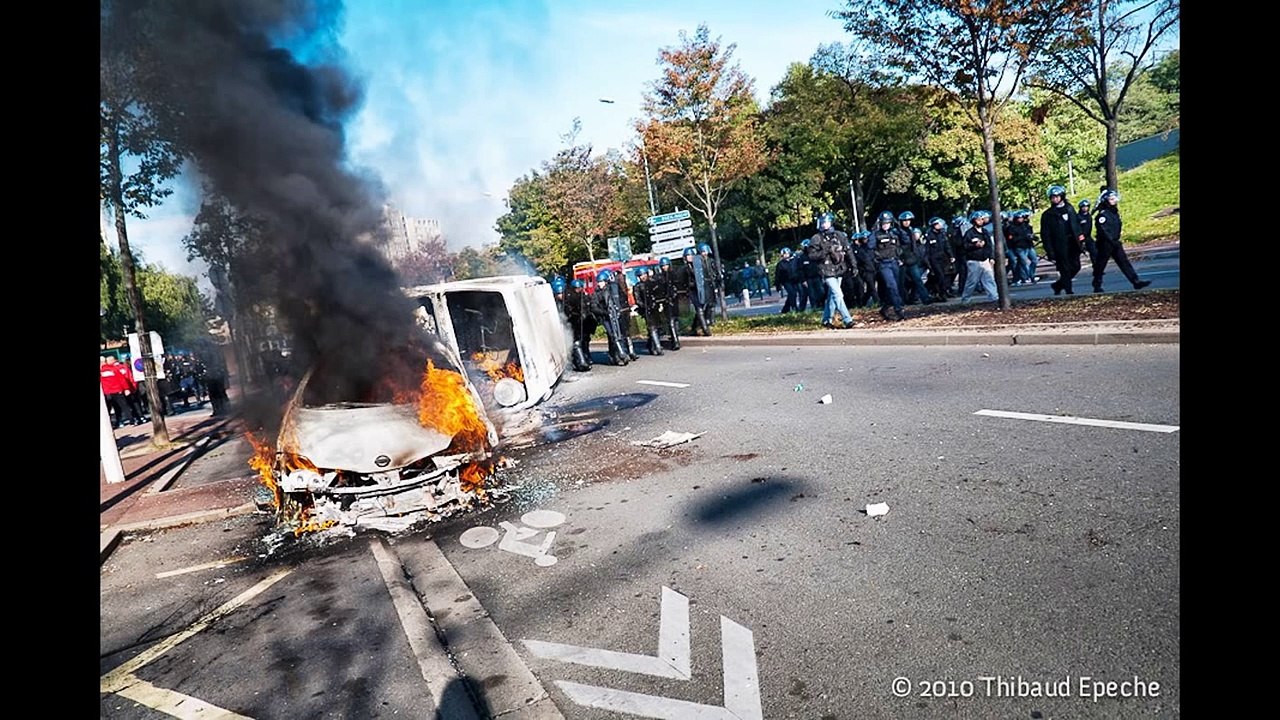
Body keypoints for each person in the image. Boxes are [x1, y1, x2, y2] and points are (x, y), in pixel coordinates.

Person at [1092, 189, 1153, 293]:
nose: (1114, 201)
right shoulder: (1103, 215)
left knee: (1124, 262)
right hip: (1105, 244)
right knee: (1101, 265)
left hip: (1115, 242)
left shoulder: (1114, 212)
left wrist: (1116, 240)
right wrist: (1111, 240)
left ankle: (1135, 281)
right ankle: (1097, 284)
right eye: (1111, 199)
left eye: (1114, 199)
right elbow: (1103, 230)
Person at [807, 212, 856, 328]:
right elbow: (811, 256)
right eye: (823, 222)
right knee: (838, 294)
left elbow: (848, 251)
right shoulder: (816, 238)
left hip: (839, 268)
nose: (825, 225)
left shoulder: (839, 235)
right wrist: (825, 252)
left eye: (827, 222)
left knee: (832, 296)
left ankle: (826, 319)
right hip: (826, 270)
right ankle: (847, 319)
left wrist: (854, 265)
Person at [1040, 184, 1086, 295]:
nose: (1055, 199)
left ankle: (1058, 285)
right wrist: (1050, 250)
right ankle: (1068, 290)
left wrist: (1081, 240)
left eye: (1057, 196)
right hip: (1059, 245)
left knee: (1076, 266)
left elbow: (1076, 226)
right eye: (1053, 197)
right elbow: (1045, 234)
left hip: (1073, 243)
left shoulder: (1070, 209)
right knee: (1064, 268)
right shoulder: (1048, 215)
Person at [868, 210, 906, 321]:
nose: (885, 225)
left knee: (896, 287)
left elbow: (906, 240)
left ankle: (885, 307)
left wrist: (900, 229)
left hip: (894, 262)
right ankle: (899, 309)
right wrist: (873, 232)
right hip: (883, 264)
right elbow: (870, 246)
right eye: (883, 223)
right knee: (891, 285)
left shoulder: (894, 232)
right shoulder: (876, 234)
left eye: (888, 223)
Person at [589, 269, 629, 366]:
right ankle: (620, 354)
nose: (599, 284)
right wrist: (604, 312)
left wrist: (620, 309)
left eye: (601, 282)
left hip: (615, 315)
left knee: (619, 335)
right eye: (598, 282)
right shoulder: (596, 294)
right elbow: (594, 307)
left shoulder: (612, 289)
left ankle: (619, 354)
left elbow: (618, 299)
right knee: (612, 335)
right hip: (606, 317)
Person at [959, 210, 1000, 304]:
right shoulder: (969, 233)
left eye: (982, 219)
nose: (981, 221)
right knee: (971, 282)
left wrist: (991, 257)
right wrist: (975, 245)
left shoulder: (985, 232)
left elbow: (990, 245)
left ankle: (994, 297)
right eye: (978, 220)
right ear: (974, 221)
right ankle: (965, 300)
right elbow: (965, 246)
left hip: (985, 259)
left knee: (989, 279)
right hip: (973, 261)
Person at [678, 246, 712, 336]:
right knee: (699, 309)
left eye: (691, 255)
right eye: (687, 256)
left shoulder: (700, 265)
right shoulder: (684, 268)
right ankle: (705, 329)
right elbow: (682, 282)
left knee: (704, 307)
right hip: (692, 290)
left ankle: (694, 328)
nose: (690, 257)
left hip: (701, 289)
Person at [633, 266, 665, 356]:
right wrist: (643, 306)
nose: (643, 277)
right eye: (640, 275)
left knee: (658, 327)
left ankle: (652, 346)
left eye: (644, 274)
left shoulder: (653, 283)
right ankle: (658, 347)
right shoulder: (637, 287)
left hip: (656, 308)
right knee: (652, 328)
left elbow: (659, 294)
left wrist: (659, 303)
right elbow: (637, 299)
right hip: (646, 310)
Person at [100, 356, 140, 427]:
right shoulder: (114, 369)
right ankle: (132, 420)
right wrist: (126, 389)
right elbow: (122, 379)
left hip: (107, 393)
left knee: (108, 409)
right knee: (124, 406)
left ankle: (111, 424)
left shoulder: (101, 372)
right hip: (117, 391)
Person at [652, 257, 682, 350]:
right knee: (670, 320)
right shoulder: (659, 277)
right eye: (663, 266)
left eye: (666, 265)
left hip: (674, 299)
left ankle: (676, 336)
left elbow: (678, 285)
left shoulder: (674, 274)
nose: (665, 267)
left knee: (675, 319)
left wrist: (676, 292)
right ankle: (675, 341)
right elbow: (657, 289)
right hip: (665, 301)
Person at [564, 278, 594, 371]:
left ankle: (586, 357)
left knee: (584, 341)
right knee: (576, 343)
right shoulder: (570, 298)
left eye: (580, 288)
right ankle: (580, 361)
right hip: (573, 323)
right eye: (577, 288)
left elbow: (587, 307)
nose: (579, 290)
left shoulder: (583, 297)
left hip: (583, 322)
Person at [900, 226, 934, 305]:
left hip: (913, 262)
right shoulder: (901, 237)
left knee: (918, 281)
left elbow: (923, 256)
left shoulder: (920, 245)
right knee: (902, 283)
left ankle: (925, 298)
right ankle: (903, 300)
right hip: (904, 262)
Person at [1005, 210, 1039, 286]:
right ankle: (1030, 277)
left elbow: (1030, 234)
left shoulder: (1027, 226)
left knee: (1035, 261)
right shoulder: (1012, 227)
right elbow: (1012, 239)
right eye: (1020, 218)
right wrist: (1024, 237)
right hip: (1019, 247)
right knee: (1024, 263)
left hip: (1029, 246)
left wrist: (1033, 237)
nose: (1022, 219)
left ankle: (1031, 274)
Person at [924, 217, 954, 301]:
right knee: (940, 277)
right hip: (934, 260)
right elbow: (927, 251)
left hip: (943, 259)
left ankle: (940, 293)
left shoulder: (942, 234)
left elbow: (947, 246)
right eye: (938, 224)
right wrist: (928, 263)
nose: (940, 226)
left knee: (944, 276)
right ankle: (940, 293)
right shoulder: (929, 235)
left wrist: (951, 256)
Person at [851, 231, 878, 308]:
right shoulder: (858, 250)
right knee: (871, 287)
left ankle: (863, 302)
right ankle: (877, 302)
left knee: (870, 288)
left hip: (872, 269)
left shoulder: (869, 248)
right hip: (865, 270)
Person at [774, 247, 800, 313]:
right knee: (792, 293)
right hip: (786, 281)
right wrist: (778, 285)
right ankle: (794, 307)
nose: (785, 256)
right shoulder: (780, 264)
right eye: (784, 254)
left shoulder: (794, 260)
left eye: (786, 254)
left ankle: (785, 309)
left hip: (795, 280)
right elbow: (777, 275)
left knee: (792, 295)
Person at [1077, 198, 1099, 267]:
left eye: (1086, 207)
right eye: (1083, 207)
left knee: (1094, 251)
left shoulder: (1089, 216)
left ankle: (1096, 266)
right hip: (1079, 237)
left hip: (1088, 237)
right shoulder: (1078, 217)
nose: (1085, 208)